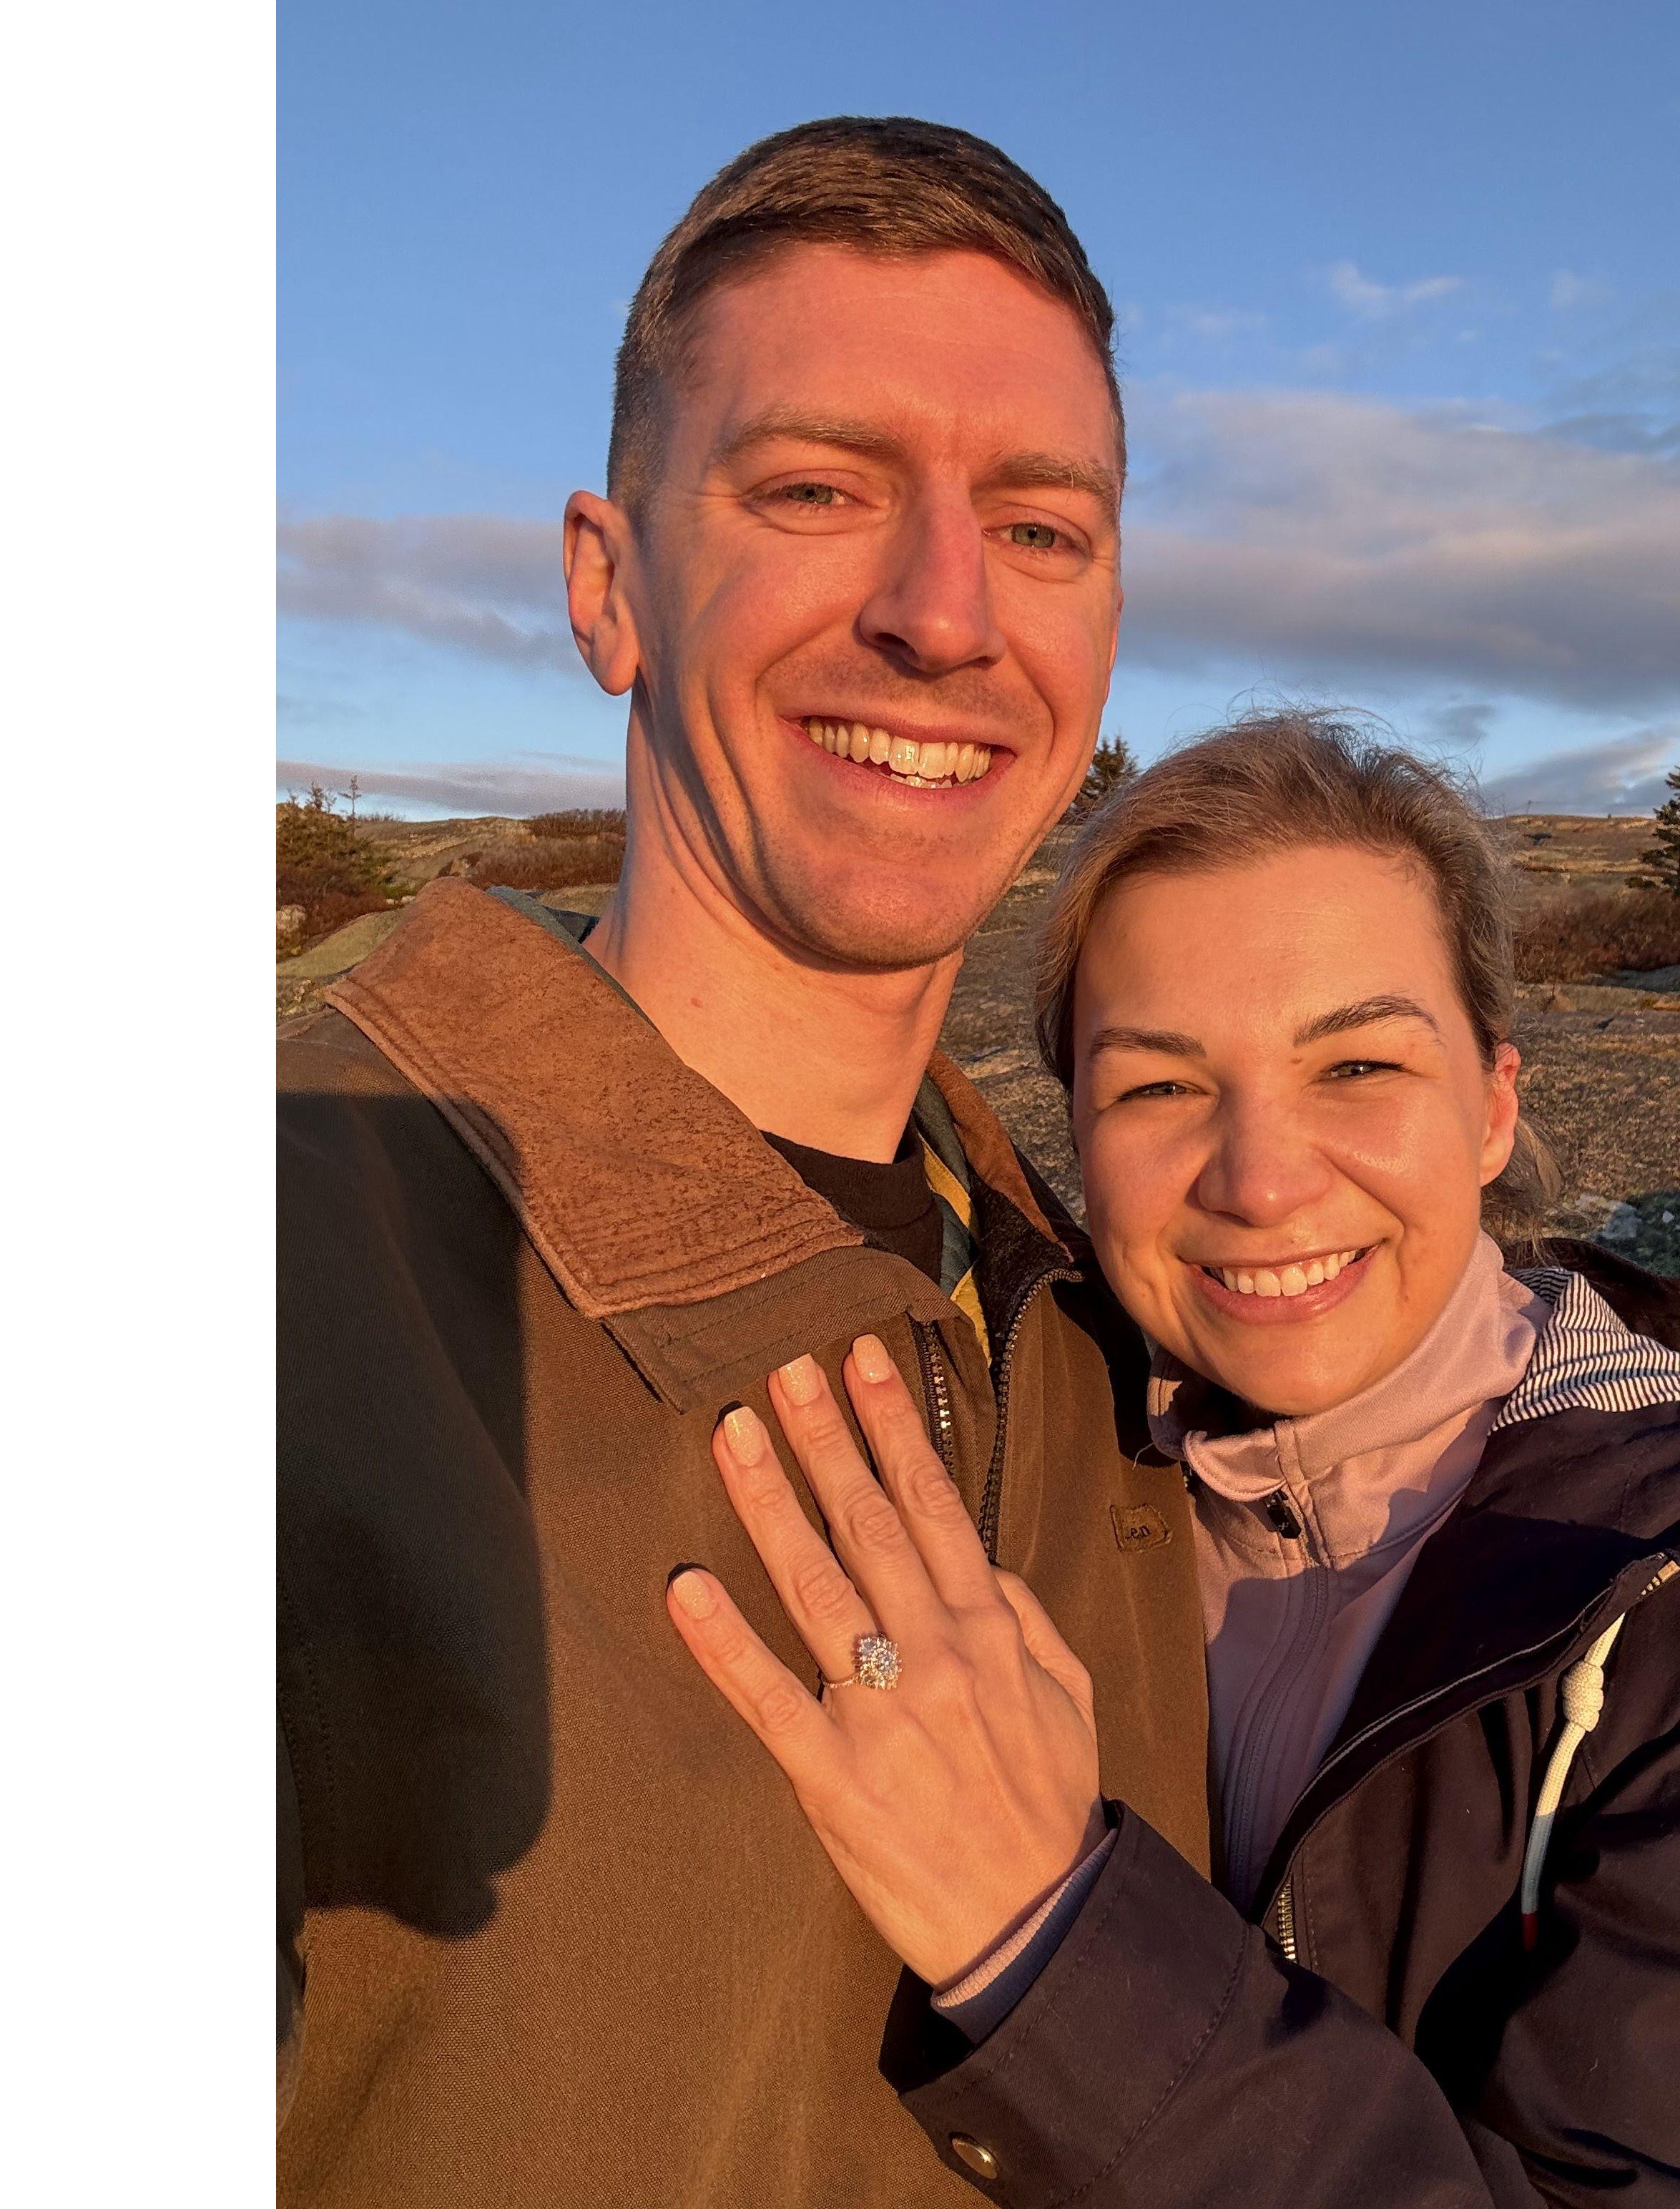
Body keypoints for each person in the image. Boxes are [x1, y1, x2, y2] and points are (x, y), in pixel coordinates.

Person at [277, 118, 1218, 2206]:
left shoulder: (1100, 1346)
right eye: (817, 491)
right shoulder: (271, 1283)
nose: (945, 616)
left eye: (1042, 528)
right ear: (608, 590)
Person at [668, 714, 1680, 2208]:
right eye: (1155, 1085)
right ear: (1073, 1130)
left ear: (1492, 1105)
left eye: (1355, 1062)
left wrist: (1048, 1941)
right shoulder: (1045, 1440)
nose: (1260, 1180)